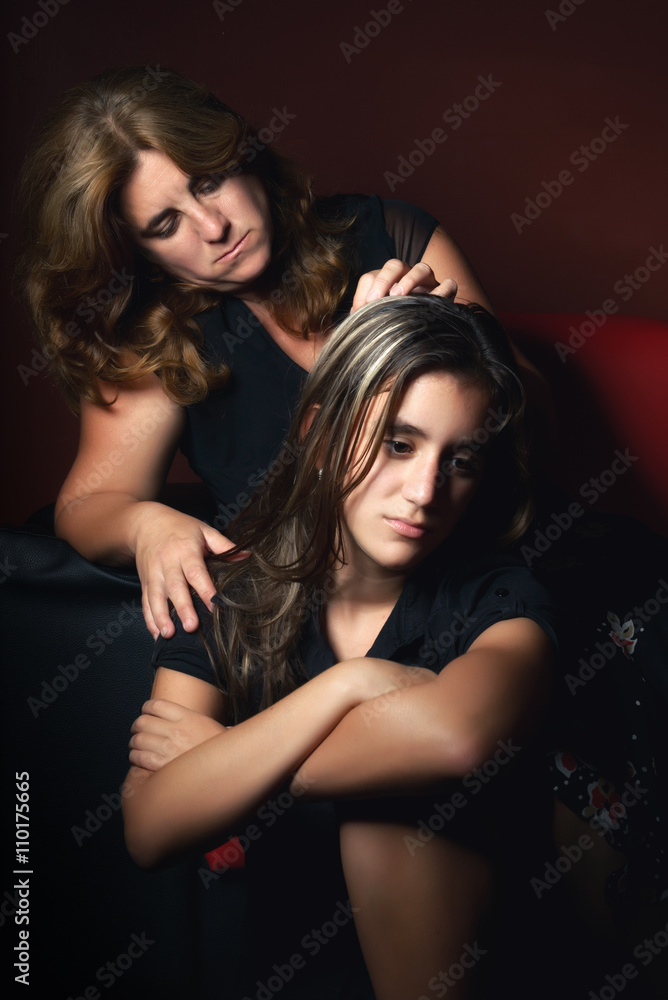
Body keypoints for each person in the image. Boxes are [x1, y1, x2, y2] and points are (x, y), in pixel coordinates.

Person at [122, 295, 557, 1000]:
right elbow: (149, 827)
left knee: (387, 809)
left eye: (461, 459)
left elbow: (452, 740)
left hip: (475, 962)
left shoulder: (496, 596)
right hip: (286, 967)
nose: (424, 491)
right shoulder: (233, 593)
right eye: (398, 443)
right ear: (321, 435)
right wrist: (349, 684)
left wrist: (225, 760)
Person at [17, 65, 541, 642]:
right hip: (312, 622)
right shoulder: (159, 337)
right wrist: (145, 527)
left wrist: (419, 335)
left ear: (241, 155)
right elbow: (89, 504)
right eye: (166, 224)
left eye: (209, 181)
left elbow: (529, 420)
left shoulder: (389, 234)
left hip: (478, 578)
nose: (213, 226)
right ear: (136, 252)